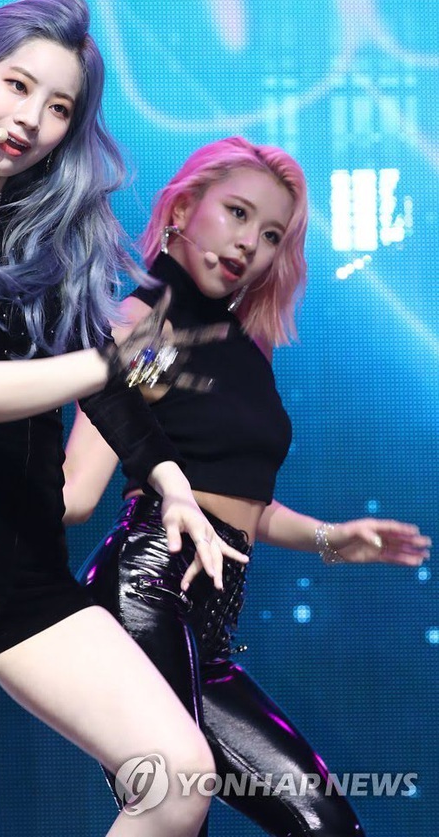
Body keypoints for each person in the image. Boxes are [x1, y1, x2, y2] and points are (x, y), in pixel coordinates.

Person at [0, 0, 254, 837]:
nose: (31, 119)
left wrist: (173, 484)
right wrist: (105, 360)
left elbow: (105, 385)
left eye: (60, 107)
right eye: (17, 85)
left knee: (179, 778)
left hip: (29, 559)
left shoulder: (39, 236)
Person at [63, 136, 431, 836]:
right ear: (182, 208)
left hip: (208, 629)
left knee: (323, 822)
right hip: (146, 590)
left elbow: (240, 506)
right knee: (178, 812)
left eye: (269, 235)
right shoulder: (148, 326)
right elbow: (80, 486)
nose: (248, 244)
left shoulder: (244, 348)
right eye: (236, 213)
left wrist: (331, 538)